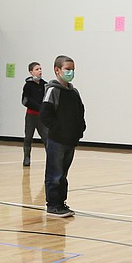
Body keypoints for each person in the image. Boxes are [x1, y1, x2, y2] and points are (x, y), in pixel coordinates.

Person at [40, 54, 86, 217]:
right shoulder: (52, 91)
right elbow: (45, 115)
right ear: (57, 70)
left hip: (70, 140)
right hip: (57, 139)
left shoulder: (74, 92)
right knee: (55, 172)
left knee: (63, 174)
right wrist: (58, 129)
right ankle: (52, 204)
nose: (70, 72)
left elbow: (80, 112)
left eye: (72, 70)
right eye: (67, 69)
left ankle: (61, 202)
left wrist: (79, 130)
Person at [21, 61, 48, 166]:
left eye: (40, 69)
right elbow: (25, 101)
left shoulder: (45, 85)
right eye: (37, 69)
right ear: (31, 72)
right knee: (28, 137)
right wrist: (38, 107)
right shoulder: (28, 86)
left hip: (42, 117)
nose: (40, 71)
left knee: (46, 138)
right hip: (31, 115)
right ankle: (26, 157)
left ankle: (50, 158)